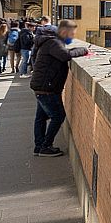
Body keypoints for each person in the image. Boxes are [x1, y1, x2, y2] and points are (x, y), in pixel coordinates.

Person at [29, 19, 89, 157]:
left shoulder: (50, 41)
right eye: (71, 33)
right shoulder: (53, 42)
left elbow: (63, 52)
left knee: (41, 117)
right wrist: (84, 50)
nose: (73, 36)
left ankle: (38, 146)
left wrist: (75, 50)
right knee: (58, 116)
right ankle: (46, 146)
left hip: (41, 86)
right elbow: (65, 55)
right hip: (47, 88)